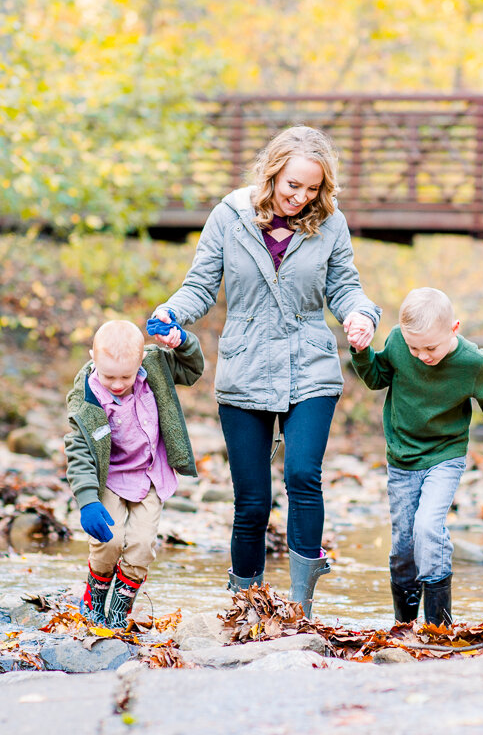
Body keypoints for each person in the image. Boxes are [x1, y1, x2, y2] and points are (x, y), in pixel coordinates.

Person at [150, 125, 380, 617]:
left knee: (302, 475)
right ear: (272, 172)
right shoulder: (229, 216)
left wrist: (361, 315)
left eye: (312, 188)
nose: (300, 197)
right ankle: (244, 607)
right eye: (292, 185)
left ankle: (301, 607)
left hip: (310, 364)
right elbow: (200, 285)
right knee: (252, 502)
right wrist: (171, 313)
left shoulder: (330, 222)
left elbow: (345, 288)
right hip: (246, 366)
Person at [349, 287, 483, 626]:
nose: (422, 355)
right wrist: (361, 351)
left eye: (431, 347)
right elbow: (376, 378)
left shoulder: (472, 362)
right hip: (402, 457)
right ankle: (404, 626)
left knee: (428, 527)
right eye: (415, 348)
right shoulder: (401, 342)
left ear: (454, 329)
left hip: (446, 455)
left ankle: (438, 627)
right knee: (403, 545)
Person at [63, 318, 205, 628]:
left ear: (140, 361)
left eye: (125, 376)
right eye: (108, 375)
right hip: (111, 478)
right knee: (108, 542)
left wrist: (182, 342)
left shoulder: (155, 367)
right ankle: (95, 600)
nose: (116, 384)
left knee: (142, 546)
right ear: (93, 359)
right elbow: (78, 451)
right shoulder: (87, 398)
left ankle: (119, 611)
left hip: (151, 475)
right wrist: (87, 500)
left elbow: (193, 370)